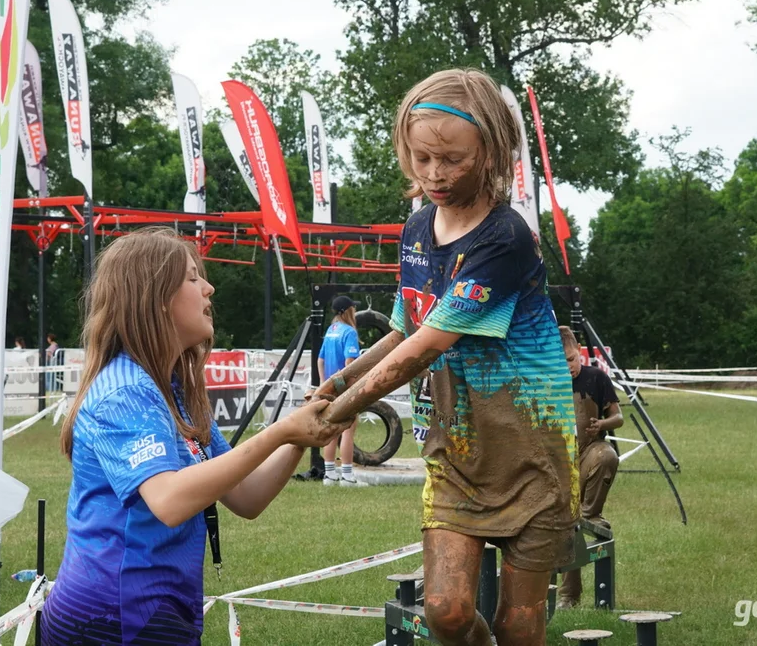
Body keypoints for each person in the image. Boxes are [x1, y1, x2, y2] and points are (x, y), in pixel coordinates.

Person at [306, 69, 575, 646]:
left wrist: (340, 412)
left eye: (451, 159)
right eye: (421, 158)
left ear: (491, 151)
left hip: (532, 452)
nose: (435, 174)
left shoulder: (504, 239)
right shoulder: (417, 228)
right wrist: (335, 387)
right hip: (455, 454)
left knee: (519, 626)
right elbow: (406, 330)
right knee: (446, 612)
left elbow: (426, 347)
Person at [41, 227, 347, 645]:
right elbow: (169, 501)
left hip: (156, 611)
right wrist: (280, 432)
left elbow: (247, 497)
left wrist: (298, 437)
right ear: (156, 300)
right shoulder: (127, 390)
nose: (209, 288)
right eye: (192, 278)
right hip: (112, 618)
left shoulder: (173, 391)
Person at [556, 325, 624, 609]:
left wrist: (602, 425)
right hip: (558, 460)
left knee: (606, 455)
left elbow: (618, 417)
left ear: (579, 354)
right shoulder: (548, 383)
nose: (569, 366)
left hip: (588, 452)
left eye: (572, 359)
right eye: (562, 361)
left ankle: (590, 513)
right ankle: (567, 595)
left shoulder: (596, 378)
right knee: (562, 526)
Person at [318, 294, 361, 486]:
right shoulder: (349, 332)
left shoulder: (330, 330)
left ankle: (329, 474)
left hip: (329, 387)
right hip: (344, 388)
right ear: (348, 311)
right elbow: (349, 363)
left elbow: (320, 360)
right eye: (354, 308)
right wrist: (351, 388)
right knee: (348, 431)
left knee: (332, 431)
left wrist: (324, 383)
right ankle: (348, 476)